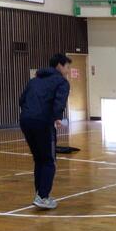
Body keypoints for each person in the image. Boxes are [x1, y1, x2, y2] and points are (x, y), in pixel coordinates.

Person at [19, 53, 71, 210]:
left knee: (39, 159)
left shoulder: (34, 81)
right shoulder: (62, 82)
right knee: (49, 160)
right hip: (43, 122)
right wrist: (57, 117)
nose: (68, 71)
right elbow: (59, 101)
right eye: (67, 67)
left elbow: (21, 100)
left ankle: (40, 194)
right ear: (59, 65)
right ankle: (43, 196)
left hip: (25, 121)